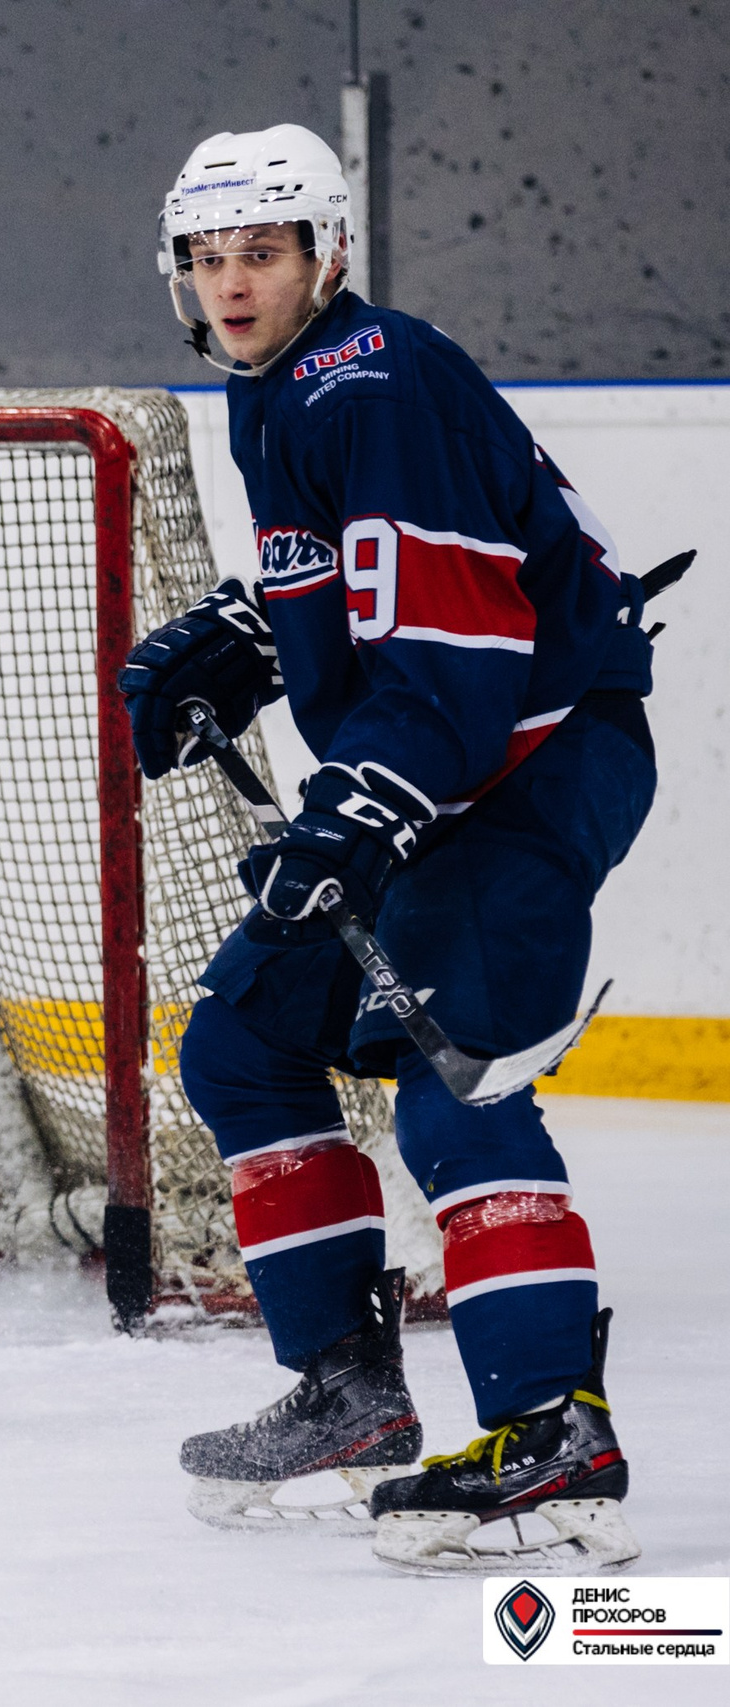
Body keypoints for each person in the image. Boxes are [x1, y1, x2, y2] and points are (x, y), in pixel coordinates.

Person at [120, 124, 660, 1574]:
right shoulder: (286, 387)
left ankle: (554, 1428)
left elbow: (458, 639)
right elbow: (359, 580)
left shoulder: (378, 374)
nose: (231, 283)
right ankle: (351, 1391)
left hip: (534, 760)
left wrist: (360, 809)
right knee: (242, 1041)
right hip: (441, 763)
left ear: (326, 255)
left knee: (448, 1067)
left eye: (262, 253)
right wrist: (251, 635)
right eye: (208, 257)